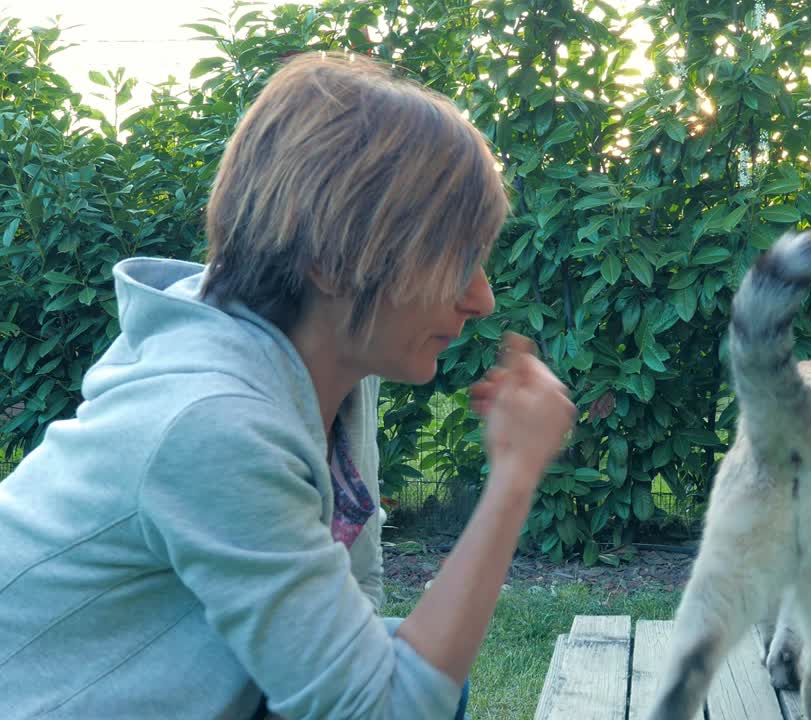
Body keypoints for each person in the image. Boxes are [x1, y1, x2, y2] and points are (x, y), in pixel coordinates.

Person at [0, 51, 577, 719]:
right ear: (331, 262)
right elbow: (381, 711)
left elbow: (356, 615)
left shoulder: (322, 371)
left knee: (419, 660)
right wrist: (513, 478)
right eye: (453, 262)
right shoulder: (214, 424)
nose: (481, 299)